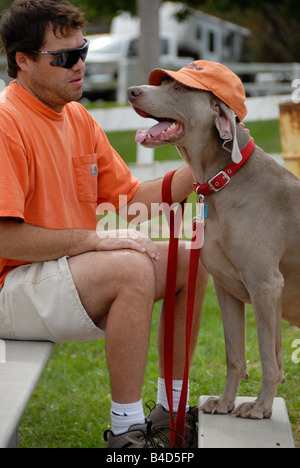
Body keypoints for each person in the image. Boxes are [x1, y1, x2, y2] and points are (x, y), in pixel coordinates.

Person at [0, 0, 208, 448]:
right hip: (9, 284)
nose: (80, 65)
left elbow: (130, 199)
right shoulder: (5, 121)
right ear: (22, 60)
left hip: (60, 274)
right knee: (128, 264)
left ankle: (170, 417)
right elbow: (5, 237)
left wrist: (205, 164)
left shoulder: (76, 116)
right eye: (64, 58)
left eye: (83, 50)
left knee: (192, 256)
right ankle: (126, 433)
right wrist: (97, 239)